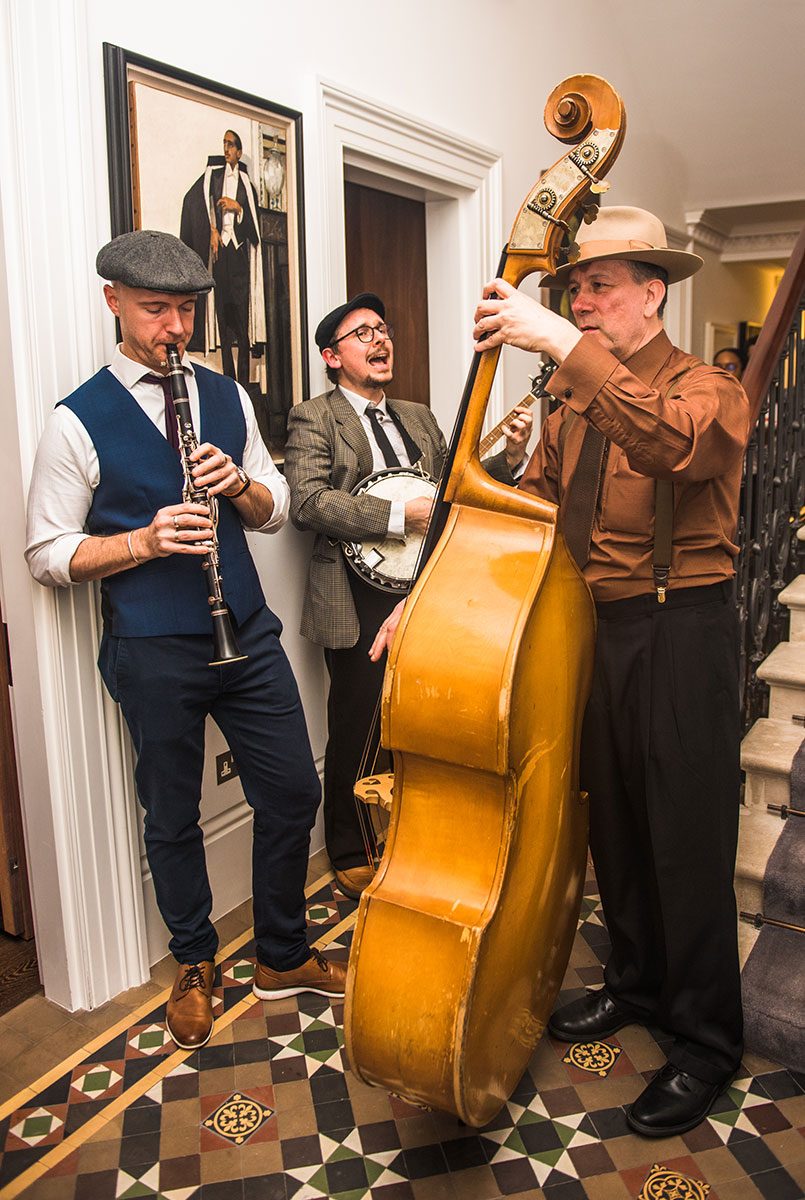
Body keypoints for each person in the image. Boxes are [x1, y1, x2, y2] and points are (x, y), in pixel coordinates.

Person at [372, 207, 750, 1137]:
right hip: (584, 629)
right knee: (609, 824)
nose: (580, 301)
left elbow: (671, 447)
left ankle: (704, 1041)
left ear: (652, 293)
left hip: (677, 630)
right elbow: (522, 515)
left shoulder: (710, 388)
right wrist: (425, 599)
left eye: (600, 286)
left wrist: (561, 348)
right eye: (573, 288)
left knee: (682, 839)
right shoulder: (569, 404)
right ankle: (635, 982)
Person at [25, 229, 345, 1052]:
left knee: (292, 792)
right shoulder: (76, 419)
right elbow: (46, 554)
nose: (174, 328)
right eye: (155, 309)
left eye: (185, 311)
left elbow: (272, 507)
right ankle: (195, 960)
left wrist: (237, 484)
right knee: (171, 814)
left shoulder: (225, 395)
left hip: (245, 631)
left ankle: (280, 952)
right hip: (153, 647)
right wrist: (140, 542)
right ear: (114, 303)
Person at [284, 293, 531, 899]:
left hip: (427, 584)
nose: (380, 340)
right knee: (360, 721)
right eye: (363, 333)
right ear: (332, 356)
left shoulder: (418, 416)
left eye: (383, 329)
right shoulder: (314, 417)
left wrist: (510, 458)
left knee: (423, 713)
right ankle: (352, 848)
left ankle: (412, 836)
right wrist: (399, 516)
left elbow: (456, 488)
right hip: (356, 593)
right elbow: (308, 502)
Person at [180, 130, 266, 387]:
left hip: (238, 254)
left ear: (239, 152)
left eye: (231, 145)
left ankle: (243, 382)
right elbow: (198, 203)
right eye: (224, 144)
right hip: (220, 255)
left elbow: (254, 229)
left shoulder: (247, 185)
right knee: (223, 317)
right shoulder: (213, 178)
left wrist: (238, 208)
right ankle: (229, 379)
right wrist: (212, 231)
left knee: (241, 319)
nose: (226, 148)